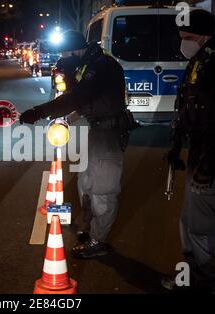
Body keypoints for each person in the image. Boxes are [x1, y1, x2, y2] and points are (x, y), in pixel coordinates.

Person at [19, 31, 134, 259]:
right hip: (98, 130)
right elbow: (88, 100)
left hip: (109, 134)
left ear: (76, 50)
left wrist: (40, 112)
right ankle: (90, 229)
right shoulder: (89, 62)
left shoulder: (100, 65)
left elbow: (78, 96)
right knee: (87, 183)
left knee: (103, 190)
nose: (63, 57)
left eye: (65, 53)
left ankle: (98, 241)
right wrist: (67, 119)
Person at [163, 9, 215, 293]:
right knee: (189, 223)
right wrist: (176, 147)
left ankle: (205, 286)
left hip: (213, 155)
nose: (183, 42)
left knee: (204, 231)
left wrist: (208, 161)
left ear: (204, 35)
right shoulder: (200, 59)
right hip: (200, 152)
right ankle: (191, 280)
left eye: (188, 37)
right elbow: (189, 107)